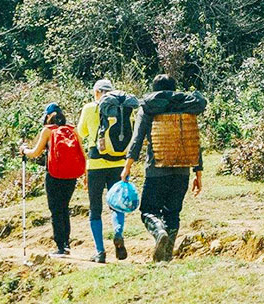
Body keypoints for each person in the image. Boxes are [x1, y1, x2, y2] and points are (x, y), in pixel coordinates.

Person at [121, 74, 207, 262]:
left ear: (155, 90)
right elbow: (194, 140)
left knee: (148, 210)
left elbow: (137, 139)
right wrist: (198, 173)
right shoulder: (187, 107)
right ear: (173, 89)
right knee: (173, 212)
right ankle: (166, 256)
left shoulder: (148, 107)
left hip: (156, 169)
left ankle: (159, 233)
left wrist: (127, 166)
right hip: (182, 169)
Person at [77, 78, 134, 263]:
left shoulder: (89, 108)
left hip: (96, 165)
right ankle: (118, 233)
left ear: (96, 92)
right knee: (116, 205)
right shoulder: (123, 108)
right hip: (119, 164)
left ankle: (100, 251)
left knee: (95, 209)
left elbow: (82, 133)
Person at [21, 103, 85, 257]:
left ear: (48, 116)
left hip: (54, 175)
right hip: (71, 176)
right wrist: (86, 174)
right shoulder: (73, 129)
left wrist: (24, 150)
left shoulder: (48, 131)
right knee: (64, 208)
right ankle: (66, 243)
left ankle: (61, 247)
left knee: (56, 210)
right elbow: (82, 153)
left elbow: (35, 153)